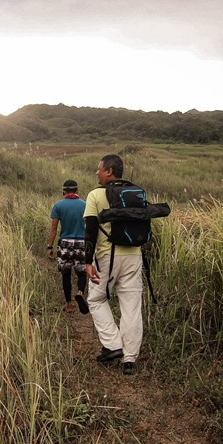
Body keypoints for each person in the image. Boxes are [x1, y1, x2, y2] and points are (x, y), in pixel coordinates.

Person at [84, 154, 143, 375]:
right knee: (131, 307)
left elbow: (90, 229)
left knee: (96, 298)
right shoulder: (135, 193)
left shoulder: (95, 195)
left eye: (99, 169)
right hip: (134, 255)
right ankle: (130, 359)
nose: (96, 173)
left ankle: (113, 344)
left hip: (107, 256)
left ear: (109, 171)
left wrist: (87, 261)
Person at [47, 179, 89, 314]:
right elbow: (90, 227)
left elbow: (54, 228)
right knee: (82, 272)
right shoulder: (85, 205)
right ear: (77, 191)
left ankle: (68, 304)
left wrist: (50, 246)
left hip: (65, 243)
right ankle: (80, 292)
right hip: (82, 242)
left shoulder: (58, 205)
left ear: (63, 191)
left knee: (66, 274)